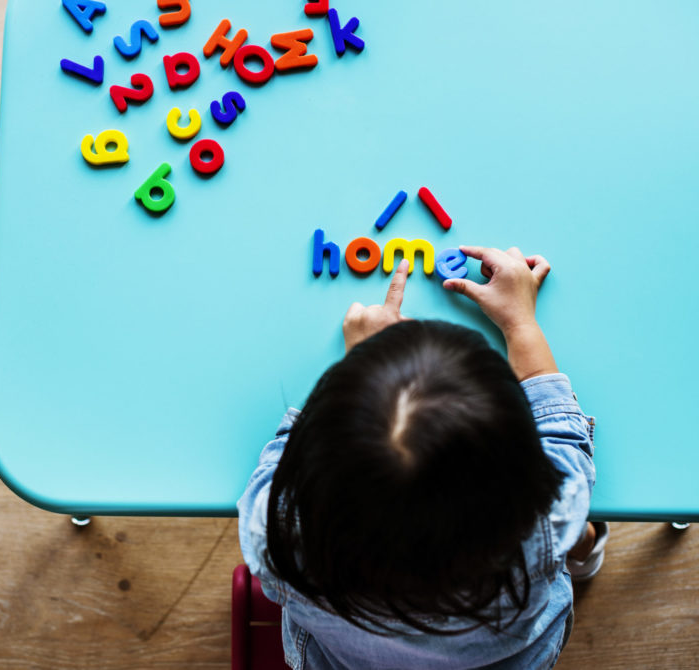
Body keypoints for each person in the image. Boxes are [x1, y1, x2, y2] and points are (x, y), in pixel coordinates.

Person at [238, 247, 607, 669]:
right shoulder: (541, 521)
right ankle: (584, 553)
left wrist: (363, 366)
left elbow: (277, 469)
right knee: (571, 526)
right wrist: (520, 322)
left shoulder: (281, 539)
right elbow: (561, 434)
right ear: (521, 466)